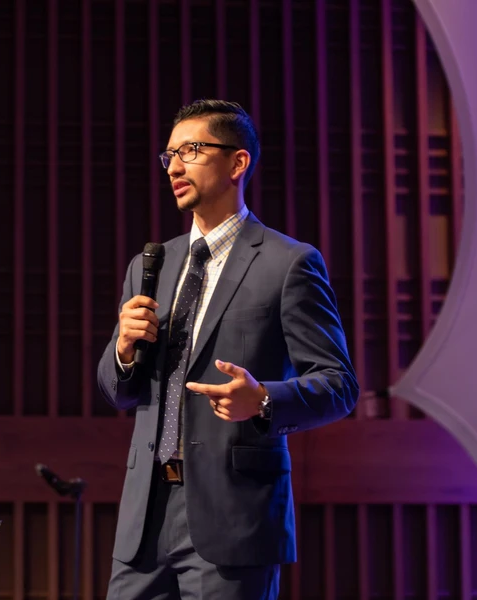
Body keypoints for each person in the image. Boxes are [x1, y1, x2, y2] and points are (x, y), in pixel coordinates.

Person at [97, 99, 359, 599]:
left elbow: (339, 384)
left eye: (191, 150)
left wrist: (263, 400)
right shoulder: (149, 264)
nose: (174, 166)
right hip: (145, 520)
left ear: (238, 163)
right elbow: (118, 392)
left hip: (233, 518)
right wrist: (124, 353)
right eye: (169, 155)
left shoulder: (289, 263)